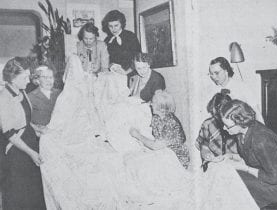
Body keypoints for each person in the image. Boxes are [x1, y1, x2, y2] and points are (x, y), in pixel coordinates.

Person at [39, 55, 259, 210]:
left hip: (184, 151)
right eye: (210, 73)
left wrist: (137, 136)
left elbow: (158, 145)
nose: (213, 77)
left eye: (216, 73)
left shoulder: (240, 90)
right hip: (196, 141)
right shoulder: (161, 115)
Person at [220, 99, 277, 208]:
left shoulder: (261, 139)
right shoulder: (241, 132)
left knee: (233, 188)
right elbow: (251, 156)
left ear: (241, 122)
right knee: (227, 179)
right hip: (263, 174)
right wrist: (230, 156)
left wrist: (244, 168)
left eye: (227, 126)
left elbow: (276, 177)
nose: (224, 128)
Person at [0, 57, 46, 209]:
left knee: (34, 191)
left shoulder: (22, 91)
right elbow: (10, 133)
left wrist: (37, 128)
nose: (29, 80)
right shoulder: (4, 98)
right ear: (13, 78)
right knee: (20, 194)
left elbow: (24, 120)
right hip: (16, 150)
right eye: (25, 77)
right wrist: (31, 153)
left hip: (29, 140)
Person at [130, 90, 190, 169]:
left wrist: (137, 135)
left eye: (153, 102)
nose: (150, 104)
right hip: (163, 151)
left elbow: (155, 146)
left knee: (143, 166)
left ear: (161, 107)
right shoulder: (156, 118)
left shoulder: (170, 122)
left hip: (176, 157)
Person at [208, 57, 264, 123]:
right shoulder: (213, 91)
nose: (214, 77)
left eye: (216, 73)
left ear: (226, 71)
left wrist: (264, 131)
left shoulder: (242, 87)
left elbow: (256, 112)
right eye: (211, 74)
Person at [195, 89, 237, 169]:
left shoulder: (237, 126)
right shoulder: (208, 124)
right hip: (214, 165)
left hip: (234, 166)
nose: (218, 118)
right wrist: (207, 154)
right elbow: (202, 144)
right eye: (216, 115)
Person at [102, 10, 141, 85]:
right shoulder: (107, 40)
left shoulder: (130, 36)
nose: (113, 29)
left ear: (122, 24)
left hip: (130, 75)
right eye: (110, 26)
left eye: (116, 25)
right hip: (114, 77)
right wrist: (111, 65)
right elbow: (106, 60)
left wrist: (126, 72)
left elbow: (138, 57)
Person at [28, 66, 61, 135]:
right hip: (41, 135)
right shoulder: (30, 97)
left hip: (60, 133)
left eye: (51, 77)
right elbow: (26, 121)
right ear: (37, 80)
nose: (48, 80)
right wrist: (37, 129)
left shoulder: (60, 94)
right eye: (45, 77)